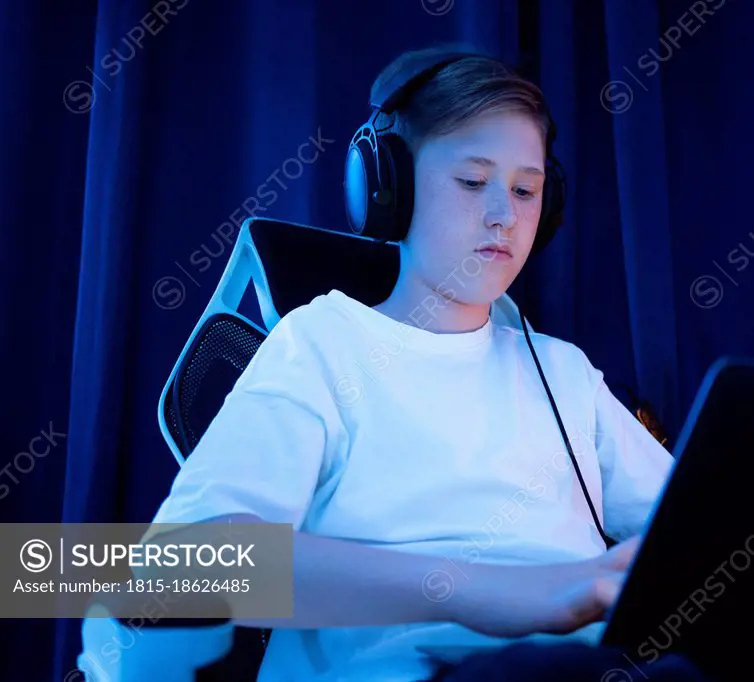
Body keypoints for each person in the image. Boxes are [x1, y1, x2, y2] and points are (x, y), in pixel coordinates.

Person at [147, 46, 704, 682]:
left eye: (526, 190)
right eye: (472, 182)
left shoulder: (562, 371)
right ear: (389, 189)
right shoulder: (324, 342)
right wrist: (487, 591)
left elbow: (695, 536)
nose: (505, 216)